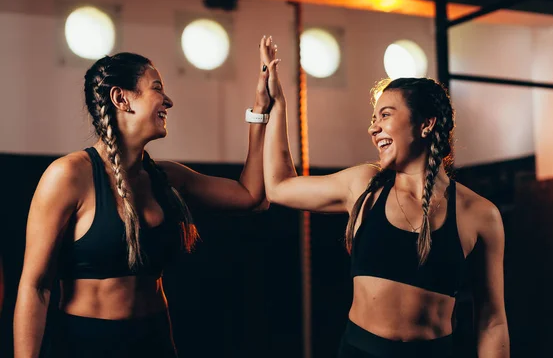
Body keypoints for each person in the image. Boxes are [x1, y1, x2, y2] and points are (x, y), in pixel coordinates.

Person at [13, 36, 274, 358]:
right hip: (86, 344)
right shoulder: (68, 176)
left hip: (155, 341)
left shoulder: (168, 177)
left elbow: (251, 197)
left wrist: (261, 111)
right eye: (157, 88)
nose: (168, 101)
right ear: (121, 99)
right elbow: (35, 287)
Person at [261, 39, 509, 357]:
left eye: (385, 116)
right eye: (374, 119)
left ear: (426, 124)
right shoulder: (365, 186)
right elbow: (279, 186)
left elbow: (492, 322)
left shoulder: (480, 214)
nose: (373, 129)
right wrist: (277, 104)